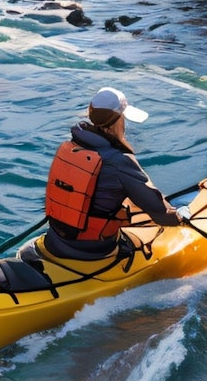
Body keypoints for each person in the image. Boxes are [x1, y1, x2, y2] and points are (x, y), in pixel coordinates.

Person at [40, 86, 189, 261]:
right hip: (94, 250)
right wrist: (181, 216)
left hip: (57, 239)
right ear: (118, 122)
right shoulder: (120, 161)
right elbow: (161, 214)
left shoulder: (73, 146)